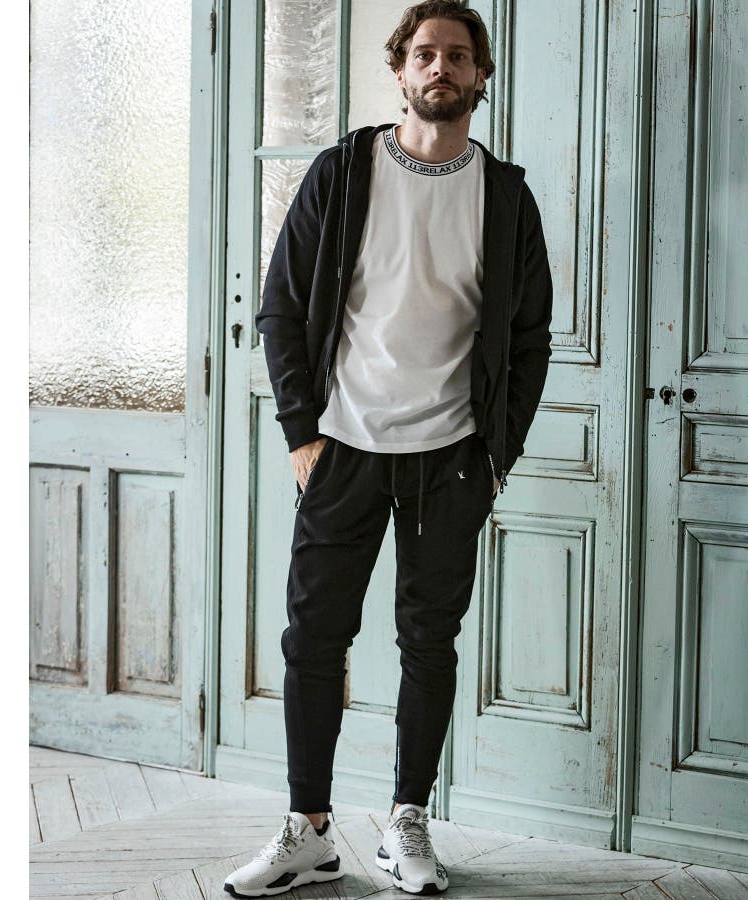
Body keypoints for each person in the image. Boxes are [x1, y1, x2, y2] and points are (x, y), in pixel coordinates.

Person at [224, 1, 552, 896]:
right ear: (400, 70)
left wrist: (497, 456)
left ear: (481, 77)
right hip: (344, 448)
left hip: (453, 457)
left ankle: (408, 821)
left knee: (429, 642)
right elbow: (281, 306)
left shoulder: (505, 197)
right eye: (425, 54)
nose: (441, 67)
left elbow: (529, 337)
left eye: (458, 56)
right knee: (313, 638)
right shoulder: (342, 173)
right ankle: (308, 831)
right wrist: (302, 432)